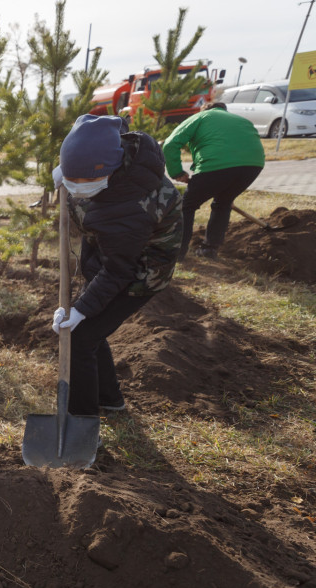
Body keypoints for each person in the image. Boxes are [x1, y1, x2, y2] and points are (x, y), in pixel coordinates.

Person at [52, 114, 183, 417]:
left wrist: (81, 308)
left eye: (84, 181)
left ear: (108, 172)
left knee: (81, 335)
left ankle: (82, 418)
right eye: (72, 179)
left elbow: (118, 271)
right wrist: (69, 170)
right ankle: (110, 400)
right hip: (114, 253)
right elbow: (90, 129)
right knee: (90, 331)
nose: (76, 187)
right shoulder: (108, 156)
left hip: (141, 272)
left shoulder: (134, 206)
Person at [162, 101, 265, 259]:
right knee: (223, 203)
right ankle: (209, 250)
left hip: (217, 164)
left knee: (187, 205)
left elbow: (170, 144)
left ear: (205, 109)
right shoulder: (241, 120)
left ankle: (177, 252)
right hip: (253, 165)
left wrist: (176, 172)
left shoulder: (201, 117)